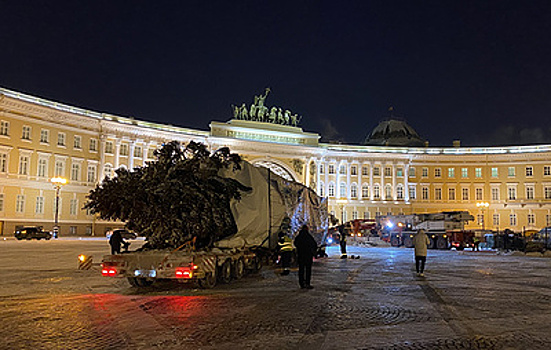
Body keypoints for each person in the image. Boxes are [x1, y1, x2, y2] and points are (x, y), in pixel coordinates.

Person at [293, 225, 318, 289]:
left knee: (301, 270)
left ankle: (301, 283)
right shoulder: (309, 237)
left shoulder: (299, 237)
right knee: (308, 270)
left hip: (301, 255)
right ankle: (307, 283)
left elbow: (295, 243)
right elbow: (315, 245)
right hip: (308, 256)